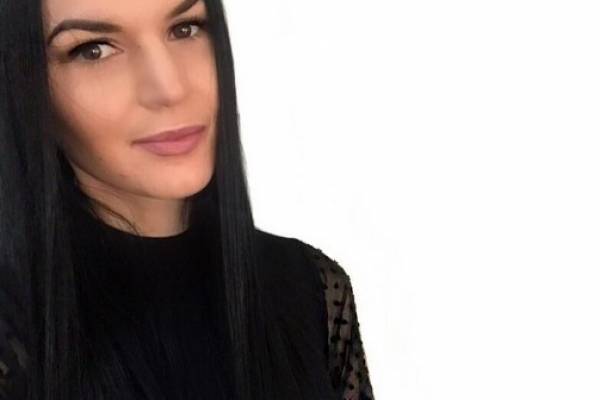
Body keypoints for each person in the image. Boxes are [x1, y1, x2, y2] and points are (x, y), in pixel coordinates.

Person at [0, 0, 375, 399]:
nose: (170, 88)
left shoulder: (309, 288)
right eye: (93, 50)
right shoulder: (13, 331)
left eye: (185, 29)